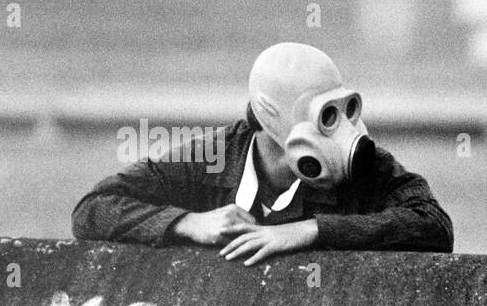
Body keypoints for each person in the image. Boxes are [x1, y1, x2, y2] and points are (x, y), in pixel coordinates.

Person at [72, 42, 453, 265]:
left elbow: (433, 225)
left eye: (342, 111)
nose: (342, 131)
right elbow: (93, 208)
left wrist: (308, 232)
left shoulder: (364, 167)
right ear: (273, 118)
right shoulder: (211, 157)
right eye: (324, 116)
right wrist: (191, 223)